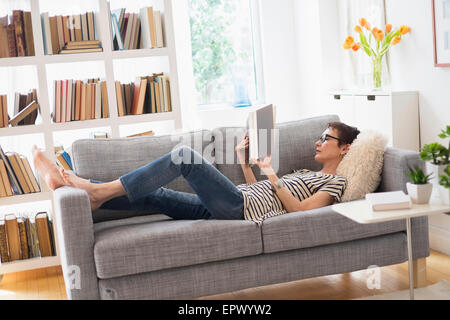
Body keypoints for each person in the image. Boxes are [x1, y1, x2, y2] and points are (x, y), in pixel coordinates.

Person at [32, 121, 360, 224]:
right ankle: (81, 193)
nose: (318, 142)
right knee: (157, 196)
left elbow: (299, 211)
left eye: (326, 138)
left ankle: (96, 190)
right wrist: (246, 164)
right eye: (319, 137)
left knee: (183, 156)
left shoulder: (336, 182)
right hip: (238, 201)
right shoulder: (302, 171)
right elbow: (266, 196)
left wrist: (272, 174)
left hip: (239, 210)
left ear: (344, 148)